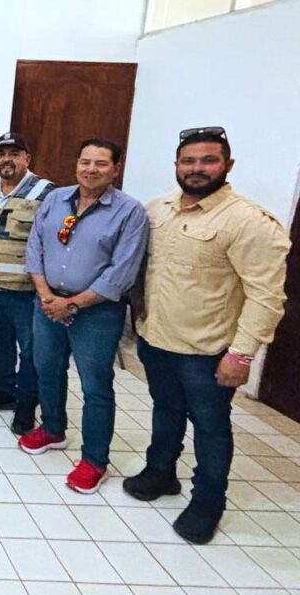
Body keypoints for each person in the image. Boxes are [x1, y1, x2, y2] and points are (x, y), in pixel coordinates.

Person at [126, 127, 289, 544]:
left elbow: (266, 296)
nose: (197, 168)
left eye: (208, 160)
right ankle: (161, 472)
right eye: (189, 161)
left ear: (227, 165)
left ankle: (208, 501)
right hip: (157, 339)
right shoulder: (158, 210)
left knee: (211, 426)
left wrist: (242, 354)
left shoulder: (248, 221)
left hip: (208, 350)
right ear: (177, 165)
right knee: (165, 410)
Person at [20, 138, 149, 495]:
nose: (91, 169)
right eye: (85, 162)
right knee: (47, 369)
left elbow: (121, 272)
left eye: (100, 163)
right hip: (48, 303)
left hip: (97, 312)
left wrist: (74, 303)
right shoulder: (56, 199)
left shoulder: (130, 212)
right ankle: (53, 429)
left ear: (116, 169)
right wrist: (45, 294)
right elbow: (35, 246)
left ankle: (94, 460)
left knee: (95, 386)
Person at [0, 133, 54, 435]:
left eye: (14, 153)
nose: (6, 159)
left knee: (31, 350)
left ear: (27, 158)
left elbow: (54, 243)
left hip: (27, 292)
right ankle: (3, 390)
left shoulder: (46, 193)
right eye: (0, 154)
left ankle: (26, 404)